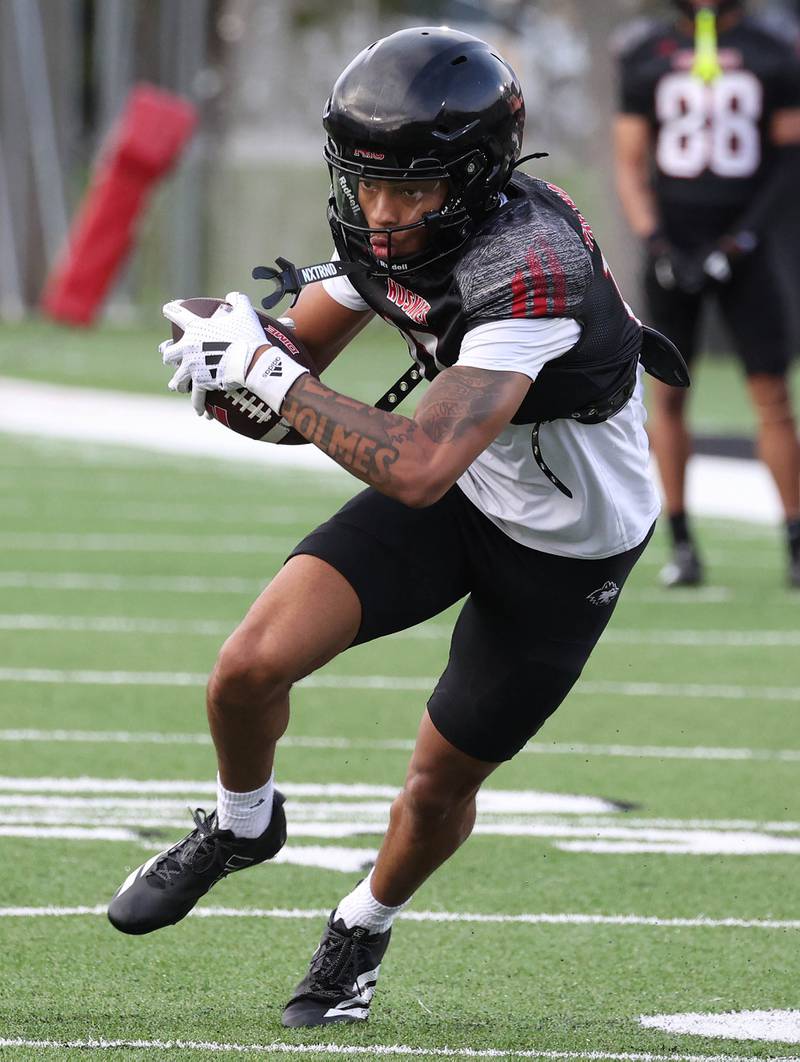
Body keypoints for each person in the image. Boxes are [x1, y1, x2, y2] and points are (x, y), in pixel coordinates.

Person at [108, 27, 673, 1027]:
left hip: (563, 541)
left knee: (432, 781)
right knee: (245, 670)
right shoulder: (384, 226)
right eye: (365, 184)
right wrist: (227, 370)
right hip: (465, 490)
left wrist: (269, 375)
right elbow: (292, 377)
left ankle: (363, 923)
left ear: (475, 176)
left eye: (409, 188)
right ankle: (244, 826)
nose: (382, 212)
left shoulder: (526, 264)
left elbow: (413, 465)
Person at [613, 0, 800, 588]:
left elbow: (790, 155)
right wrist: (657, 242)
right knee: (667, 395)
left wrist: (744, 238)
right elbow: (630, 161)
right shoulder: (646, 54)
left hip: (747, 245)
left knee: (771, 394)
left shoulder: (773, 50)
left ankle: (795, 542)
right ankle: (681, 542)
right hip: (675, 245)